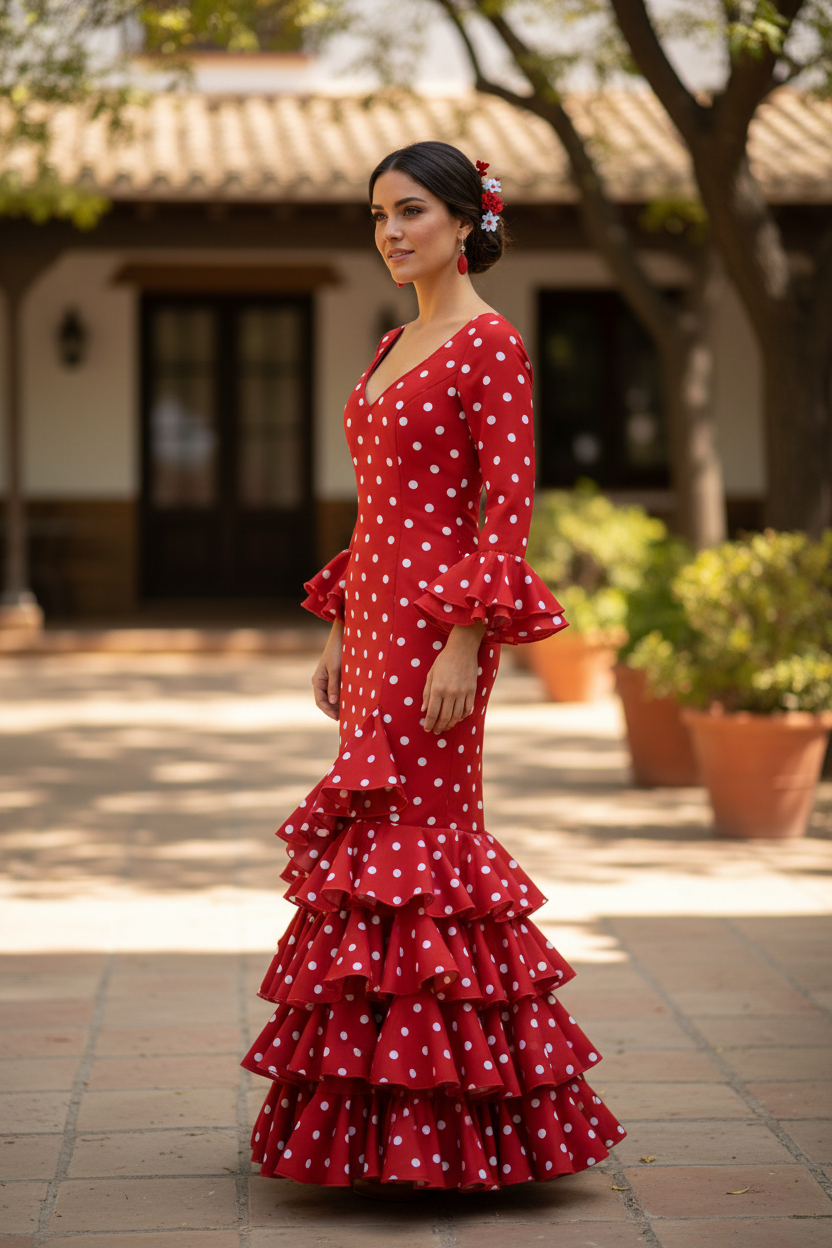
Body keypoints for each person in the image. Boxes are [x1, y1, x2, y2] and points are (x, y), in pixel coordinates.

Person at [242, 140, 626, 1197]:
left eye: (411, 211)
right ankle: (369, 1125)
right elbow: (381, 509)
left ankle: (449, 1129)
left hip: (439, 638)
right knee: (373, 851)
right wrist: (338, 620)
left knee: (424, 849)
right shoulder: (389, 344)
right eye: (377, 215)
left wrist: (467, 637)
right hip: (372, 632)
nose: (391, 232)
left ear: (466, 222)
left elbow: (506, 507)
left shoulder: (489, 343)